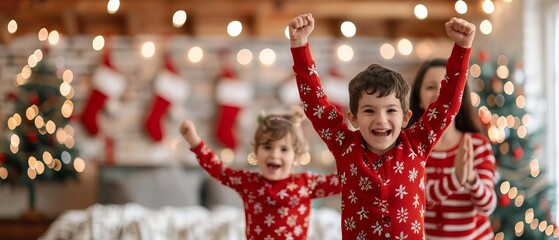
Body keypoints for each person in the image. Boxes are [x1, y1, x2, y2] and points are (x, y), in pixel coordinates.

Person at [288, 13, 475, 239]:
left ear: (406, 118)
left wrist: (462, 47)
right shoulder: (344, 145)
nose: (381, 119)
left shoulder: (417, 143)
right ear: (354, 118)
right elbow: (314, 103)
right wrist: (299, 45)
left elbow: (447, 104)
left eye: (391, 110)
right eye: (369, 110)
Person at [179, 106, 340, 240]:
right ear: (256, 152)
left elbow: (345, 181)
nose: (275, 155)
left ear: (296, 157)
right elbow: (218, 170)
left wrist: (360, 158)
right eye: (267, 147)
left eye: (284, 149)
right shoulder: (248, 181)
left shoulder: (307, 182)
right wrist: (194, 141)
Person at [410, 59, 496, 239]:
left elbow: (487, 205)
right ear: (419, 99)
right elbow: (415, 199)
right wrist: (456, 179)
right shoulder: (411, 148)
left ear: (460, 96)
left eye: (446, 86)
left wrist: (471, 177)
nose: (440, 94)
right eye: (430, 87)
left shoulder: (478, 145)